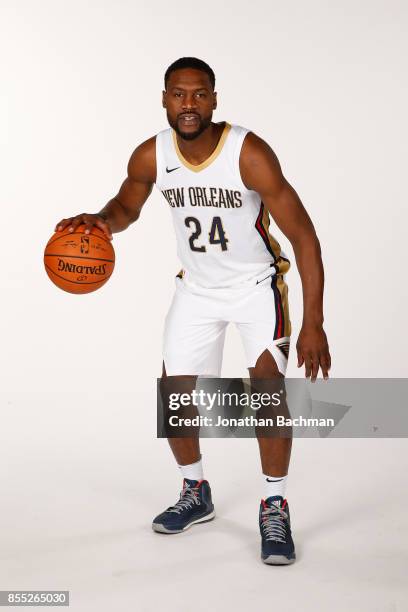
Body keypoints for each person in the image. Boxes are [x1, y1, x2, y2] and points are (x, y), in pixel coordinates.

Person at [54, 57, 331, 565]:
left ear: (215, 99)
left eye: (199, 94)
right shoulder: (151, 155)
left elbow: (305, 237)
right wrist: (98, 221)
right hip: (197, 290)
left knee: (266, 394)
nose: (189, 104)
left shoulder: (248, 153)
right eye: (178, 94)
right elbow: (127, 207)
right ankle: (195, 492)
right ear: (164, 99)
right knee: (175, 395)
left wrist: (314, 322)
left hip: (255, 288)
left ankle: (274, 504)